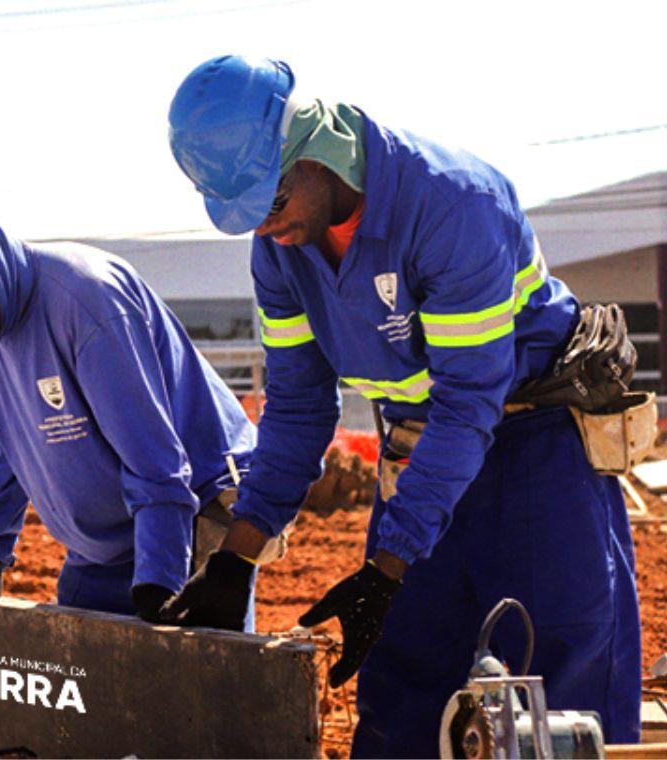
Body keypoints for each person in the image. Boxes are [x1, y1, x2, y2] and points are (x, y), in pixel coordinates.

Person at [161, 55, 642, 755]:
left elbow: (467, 401)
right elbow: (297, 407)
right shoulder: (282, 253)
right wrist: (239, 552)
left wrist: (389, 566)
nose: (265, 230)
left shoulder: (453, 206)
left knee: (559, 689)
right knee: (404, 685)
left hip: (536, 453)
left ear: (315, 156)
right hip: (421, 449)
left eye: (268, 204)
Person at [0, 177, 259, 623]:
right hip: (104, 539)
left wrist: (159, 581)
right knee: (84, 672)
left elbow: (155, 459)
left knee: (192, 684)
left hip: (190, 510)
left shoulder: (86, 301)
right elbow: (4, 447)